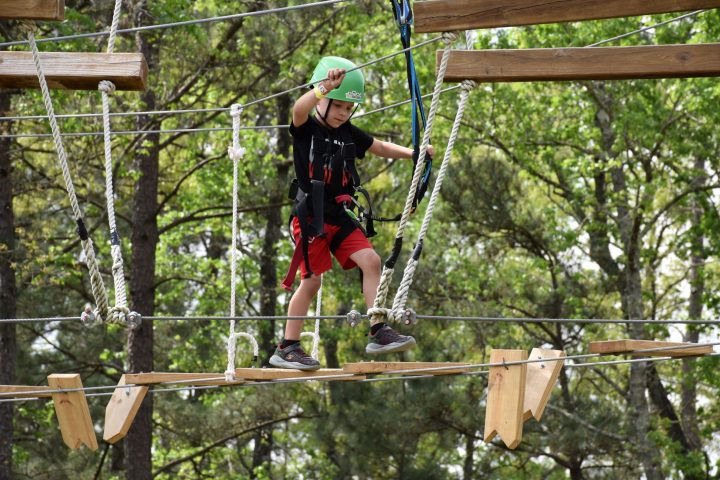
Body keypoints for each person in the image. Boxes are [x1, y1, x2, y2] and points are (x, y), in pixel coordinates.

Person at [270, 56, 434, 371]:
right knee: (313, 281)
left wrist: (414, 154)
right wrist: (323, 87)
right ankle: (287, 346)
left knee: (371, 261)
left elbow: (380, 147)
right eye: (338, 106)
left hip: (339, 213)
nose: (343, 113)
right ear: (323, 99)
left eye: (349, 108)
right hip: (311, 216)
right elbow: (298, 110)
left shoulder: (347, 131)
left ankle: (378, 329)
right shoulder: (307, 128)